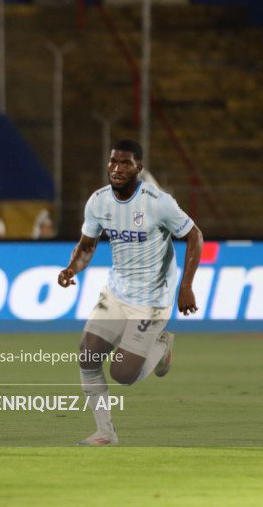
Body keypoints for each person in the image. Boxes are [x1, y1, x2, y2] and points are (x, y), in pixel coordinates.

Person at [58, 138, 203, 446]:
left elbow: (194, 236)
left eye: (125, 163)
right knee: (87, 356)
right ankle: (105, 432)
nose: (117, 168)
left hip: (152, 301)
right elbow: (87, 246)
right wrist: (72, 268)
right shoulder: (98, 202)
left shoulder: (157, 202)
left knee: (122, 374)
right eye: (113, 162)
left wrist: (186, 286)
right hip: (116, 293)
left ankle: (161, 346)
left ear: (138, 167)